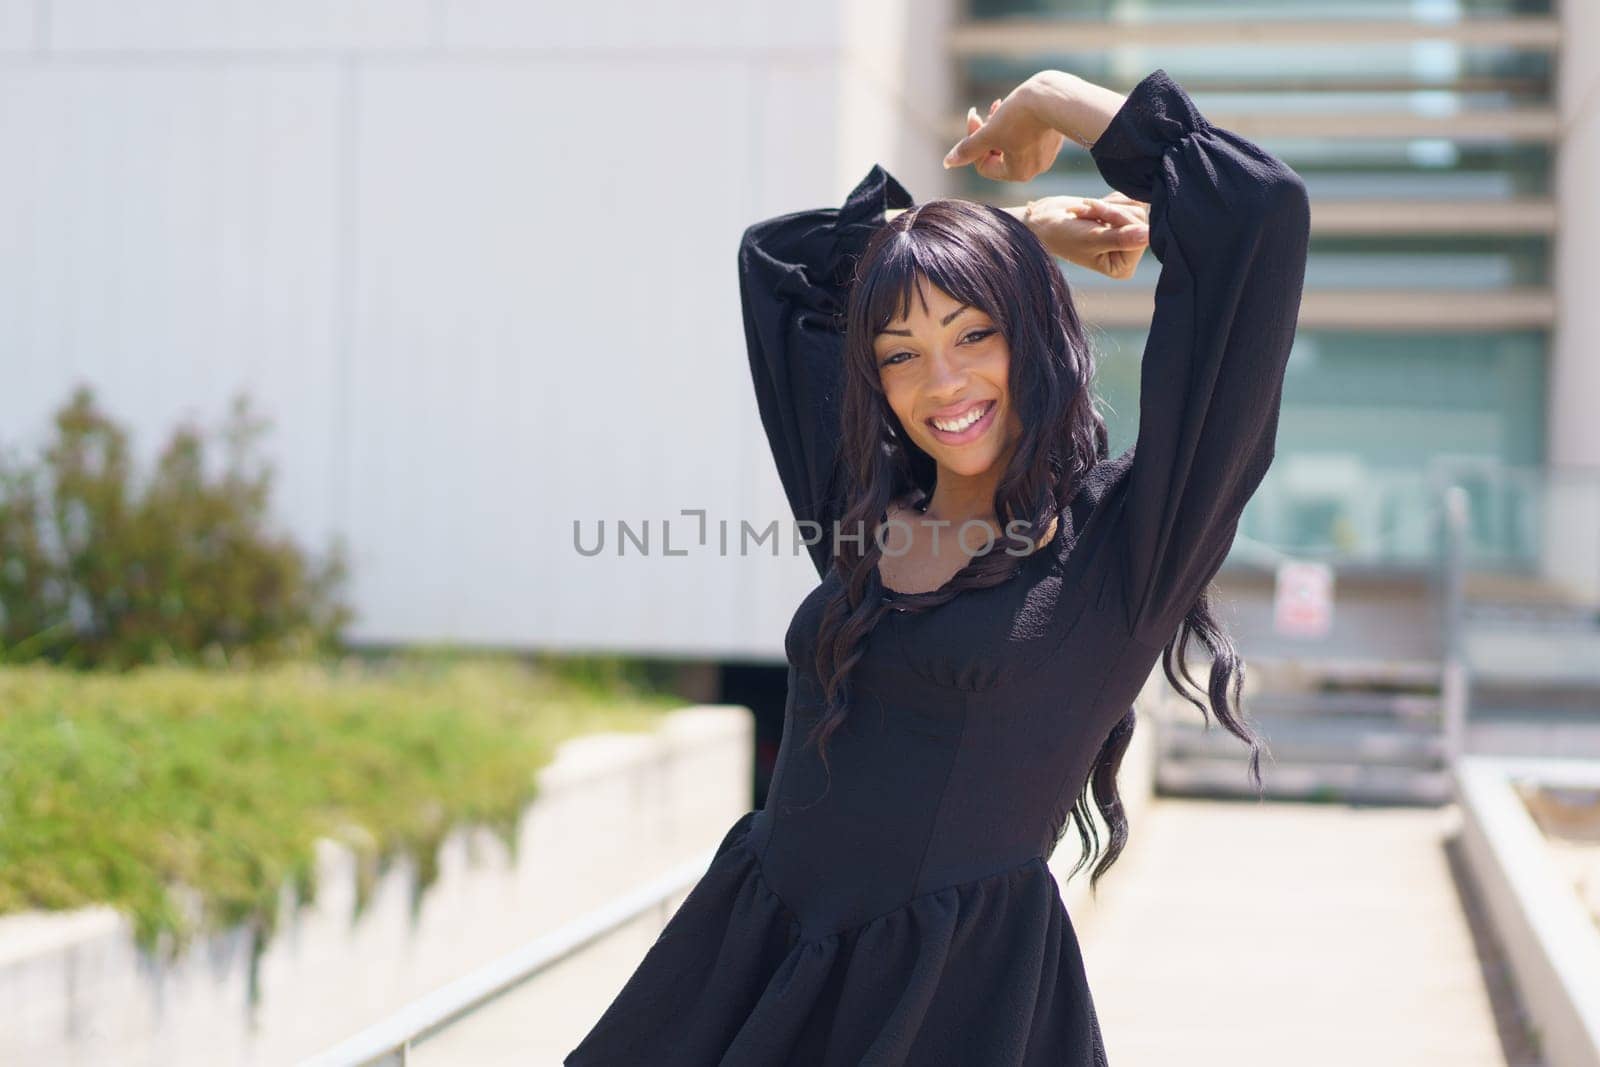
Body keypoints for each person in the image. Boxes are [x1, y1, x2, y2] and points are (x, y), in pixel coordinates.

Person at [565, 66, 1310, 1066]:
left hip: (947, 1011)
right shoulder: (860, 507)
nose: (942, 380)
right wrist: (1009, 242)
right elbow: (783, 270)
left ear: (1036, 337)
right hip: (751, 966)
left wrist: (1048, 99)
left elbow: (1256, 217)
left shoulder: (1123, 548)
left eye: (975, 332)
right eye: (902, 351)